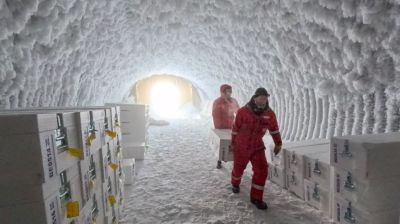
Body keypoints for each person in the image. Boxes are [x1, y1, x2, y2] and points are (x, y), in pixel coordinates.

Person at [230, 87, 282, 210]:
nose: (263, 100)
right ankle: (235, 183)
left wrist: (278, 143)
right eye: (260, 98)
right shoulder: (243, 111)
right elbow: (235, 128)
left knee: (262, 170)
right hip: (242, 145)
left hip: (257, 146)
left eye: (265, 98)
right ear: (255, 98)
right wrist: (233, 143)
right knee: (238, 168)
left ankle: (256, 198)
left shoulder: (269, 114)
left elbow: (274, 129)